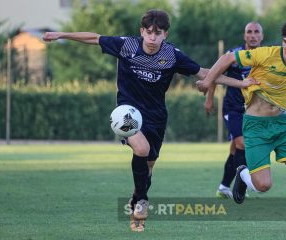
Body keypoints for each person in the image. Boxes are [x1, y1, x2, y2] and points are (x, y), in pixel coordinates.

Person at [43, 9, 257, 232]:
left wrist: (240, 83)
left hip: (156, 117)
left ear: (165, 34)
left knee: (149, 166)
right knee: (141, 148)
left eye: (158, 33)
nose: (153, 37)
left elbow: (204, 73)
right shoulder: (127, 46)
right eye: (149, 32)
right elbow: (95, 38)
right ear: (142, 31)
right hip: (127, 111)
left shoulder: (172, 55)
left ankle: (136, 198)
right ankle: (143, 201)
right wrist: (62, 34)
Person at [197, 16, 286, 233]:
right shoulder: (265, 54)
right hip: (256, 127)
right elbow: (228, 58)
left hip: (283, 125)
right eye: (285, 42)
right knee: (263, 186)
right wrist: (207, 81)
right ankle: (242, 173)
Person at [206, 22, 264, 198]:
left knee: (235, 149)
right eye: (249, 32)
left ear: (262, 36)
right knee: (242, 144)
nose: (253, 35)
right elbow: (214, 75)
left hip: (254, 111)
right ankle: (244, 184)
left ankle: (224, 187)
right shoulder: (233, 55)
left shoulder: (267, 57)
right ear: (244, 36)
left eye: (256, 32)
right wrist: (209, 99)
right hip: (233, 108)